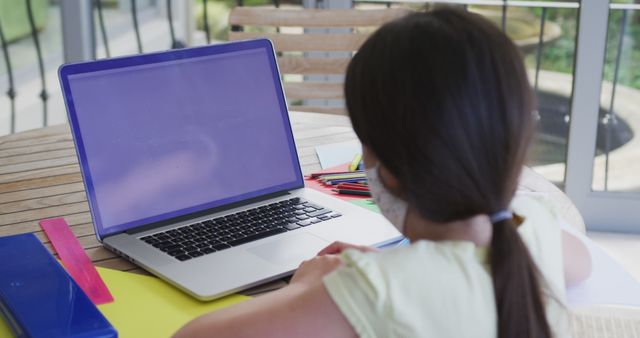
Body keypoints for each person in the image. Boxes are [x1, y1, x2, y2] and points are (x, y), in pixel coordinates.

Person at [174, 7, 591, 338]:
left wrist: (307, 290)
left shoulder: (375, 293)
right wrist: (406, 268)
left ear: (387, 172)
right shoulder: (532, 225)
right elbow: (581, 265)